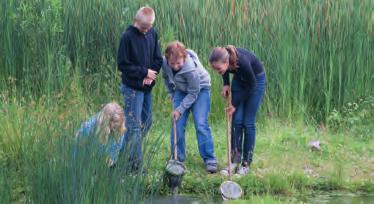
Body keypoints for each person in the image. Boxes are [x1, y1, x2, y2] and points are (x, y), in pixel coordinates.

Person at [117, 6, 163, 170]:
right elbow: (122, 64)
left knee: (147, 122)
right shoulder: (127, 37)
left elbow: (158, 59)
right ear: (136, 21)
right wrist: (143, 73)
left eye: (149, 26)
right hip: (132, 88)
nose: (147, 30)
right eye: (144, 27)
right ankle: (135, 165)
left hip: (147, 87)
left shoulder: (152, 33)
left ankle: (123, 154)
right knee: (134, 125)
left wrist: (151, 76)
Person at [162, 41, 218, 173]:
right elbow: (166, 77)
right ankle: (177, 158)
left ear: (184, 58)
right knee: (177, 123)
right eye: (172, 63)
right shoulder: (164, 62)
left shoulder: (190, 69)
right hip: (181, 90)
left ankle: (210, 159)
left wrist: (179, 109)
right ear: (167, 59)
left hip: (200, 89)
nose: (175, 67)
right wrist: (171, 92)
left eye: (178, 63)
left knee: (200, 123)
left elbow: (193, 93)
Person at [209, 45, 266, 175]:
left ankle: (246, 163)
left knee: (248, 122)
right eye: (214, 68)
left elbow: (252, 86)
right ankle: (234, 161)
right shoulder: (224, 58)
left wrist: (233, 104)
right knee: (236, 121)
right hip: (239, 82)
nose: (216, 71)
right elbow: (224, 71)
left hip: (255, 81)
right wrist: (226, 84)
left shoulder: (243, 62)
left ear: (226, 62)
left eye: (218, 68)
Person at [75, 102, 126, 167]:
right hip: (83, 162)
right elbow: (78, 149)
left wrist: (110, 160)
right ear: (105, 122)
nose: (114, 130)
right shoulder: (89, 129)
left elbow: (114, 154)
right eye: (113, 127)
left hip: (101, 165)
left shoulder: (120, 130)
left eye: (117, 127)